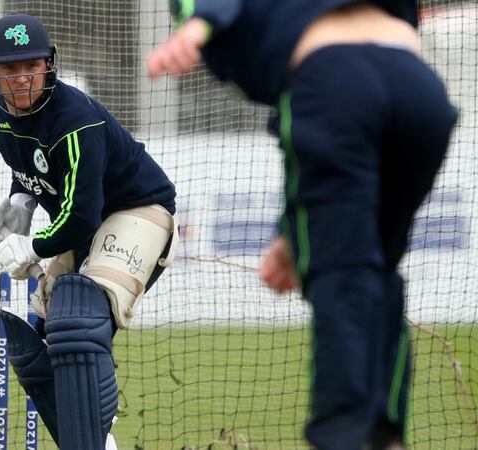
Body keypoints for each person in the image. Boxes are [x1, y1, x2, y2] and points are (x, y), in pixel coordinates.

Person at [147, 1, 457, 450]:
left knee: (342, 273)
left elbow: (323, 98)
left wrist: (195, 28)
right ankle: (384, 431)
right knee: (376, 271)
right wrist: (292, 233)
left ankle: (344, 435)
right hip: (419, 89)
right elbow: (310, 136)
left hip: (333, 79)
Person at [0, 13, 179, 450]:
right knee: (43, 343)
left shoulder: (76, 121)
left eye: (31, 66)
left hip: (138, 210)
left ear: (48, 65)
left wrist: (31, 247)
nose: (23, 78)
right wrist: (21, 203)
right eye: (11, 69)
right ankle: (96, 441)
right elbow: (31, 166)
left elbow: (83, 216)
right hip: (92, 222)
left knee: (77, 320)